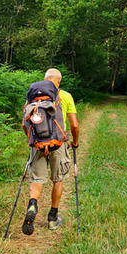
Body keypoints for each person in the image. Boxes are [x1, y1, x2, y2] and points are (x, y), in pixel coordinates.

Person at [21, 68, 79, 234]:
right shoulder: (65, 96)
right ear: (59, 81)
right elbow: (74, 124)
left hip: (38, 143)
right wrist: (75, 141)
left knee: (36, 179)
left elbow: (25, 124)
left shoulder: (33, 97)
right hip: (58, 144)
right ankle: (53, 218)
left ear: (45, 79)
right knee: (57, 179)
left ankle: (32, 204)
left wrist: (32, 141)